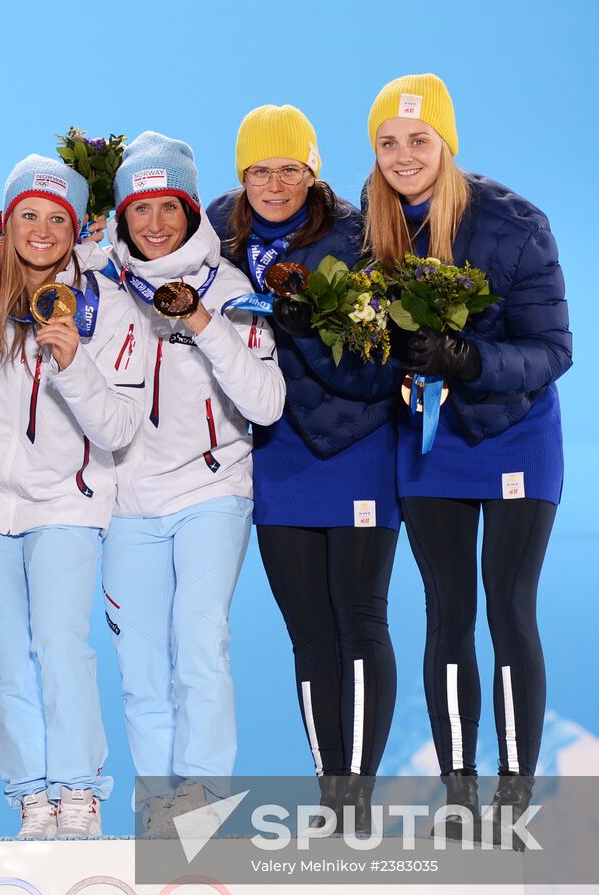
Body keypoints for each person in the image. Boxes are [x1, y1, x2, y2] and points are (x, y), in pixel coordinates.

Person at [363, 74, 571, 836]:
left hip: (514, 434)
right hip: (429, 441)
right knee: (446, 614)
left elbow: (553, 350)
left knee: (510, 608)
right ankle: (459, 794)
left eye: (419, 140)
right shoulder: (370, 227)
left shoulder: (515, 222)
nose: (403, 156)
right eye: (389, 142)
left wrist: (469, 359)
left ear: (446, 142)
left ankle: (514, 795)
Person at [206, 106, 401, 830]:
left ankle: (360, 796)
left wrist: (304, 328)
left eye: (290, 168)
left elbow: (380, 362)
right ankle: (330, 791)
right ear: (243, 176)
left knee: (360, 620)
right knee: (309, 633)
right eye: (260, 169)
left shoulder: (358, 239)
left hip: (355, 447)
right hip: (278, 453)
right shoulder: (218, 234)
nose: (275, 183)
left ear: (312, 172)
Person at [0, 155, 146, 838]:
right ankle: (32, 798)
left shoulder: (109, 306)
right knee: (2, 653)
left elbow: (121, 426)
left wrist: (72, 364)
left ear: (77, 228)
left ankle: (78, 794)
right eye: (27, 215)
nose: (40, 230)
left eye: (57, 218)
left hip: (68, 504)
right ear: (7, 223)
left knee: (62, 645)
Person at [102, 132, 284, 834]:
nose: (154, 225)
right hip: (127, 498)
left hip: (213, 490)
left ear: (188, 209)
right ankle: (156, 805)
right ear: (121, 216)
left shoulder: (231, 288)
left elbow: (265, 404)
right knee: (140, 660)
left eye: (167, 208)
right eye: (138, 210)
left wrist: (202, 322)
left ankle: (203, 799)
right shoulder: (102, 284)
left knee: (198, 641)